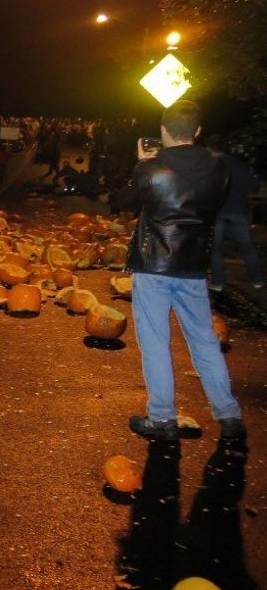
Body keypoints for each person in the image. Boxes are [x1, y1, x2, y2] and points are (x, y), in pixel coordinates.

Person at [126, 100, 245, 441]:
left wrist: (141, 166)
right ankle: (229, 415)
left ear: (163, 131)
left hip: (153, 266)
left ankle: (162, 418)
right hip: (192, 267)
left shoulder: (152, 168)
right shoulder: (220, 167)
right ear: (198, 131)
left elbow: (124, 201)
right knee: (205, 342)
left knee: (156, 343)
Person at [207, 135, 264, 291]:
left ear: (209, 149)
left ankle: (218, 282)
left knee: (215, 247)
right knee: (247, 246)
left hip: (217, 211)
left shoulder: (209, 166)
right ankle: (257, 279)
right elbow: (253, 186)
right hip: (237, 210)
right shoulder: (239, 165)